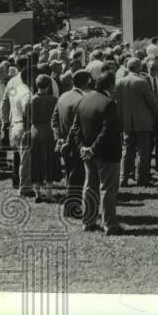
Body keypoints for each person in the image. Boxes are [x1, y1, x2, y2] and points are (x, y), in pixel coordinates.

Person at [70, 71, 124, 235]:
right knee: (108, 188)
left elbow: (76, 128)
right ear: (110, 85)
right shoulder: (108, 103)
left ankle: (88, 221)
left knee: (90, 187)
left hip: (88, 152)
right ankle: (110, 224)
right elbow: (108, 131)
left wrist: (83, 147)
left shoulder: (84, 100)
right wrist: (92, 148)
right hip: (106, 154)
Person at [52, 69, 92, 216]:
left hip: (64, 142)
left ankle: (70, 206)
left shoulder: (63, 96)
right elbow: (78, 125)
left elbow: (54, 120)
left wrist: (59, 139)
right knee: (77, 176)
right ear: (87, 81)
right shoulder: (82, 99)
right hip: (76, 143)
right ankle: (72, 208)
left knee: (71, 175)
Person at [114, 58, 158, 187]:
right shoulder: (142, 82)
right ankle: (142, 178)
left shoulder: (120, 82)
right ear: (139, 67)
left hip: (126, 121)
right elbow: (152, 101)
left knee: (127, 150)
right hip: (142, 121)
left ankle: (123, 177)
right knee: (143, 152)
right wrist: (154, 112)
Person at [8, 58, 35, 197]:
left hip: (15, 124)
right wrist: (29, 128)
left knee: (21, 157)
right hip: (23, 126)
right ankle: (25, 187)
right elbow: (27, 110)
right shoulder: (27, 93)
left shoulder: (16, 89)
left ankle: (22, 184)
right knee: (26, 159)